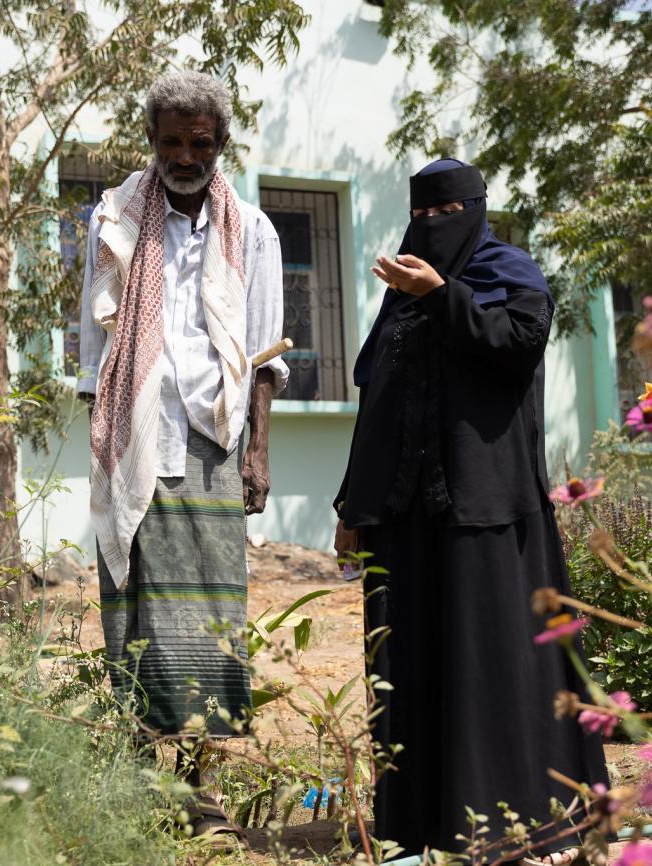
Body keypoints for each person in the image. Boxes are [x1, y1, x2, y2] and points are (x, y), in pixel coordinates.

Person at [333, 159, 610, 863]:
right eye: (420, 218)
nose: (431, 229)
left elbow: (517, 343)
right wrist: (351, 504)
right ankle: (413, 826)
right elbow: (379, 398)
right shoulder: (400, 294)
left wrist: (441, 294)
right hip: (403, 514)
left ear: (477, 211)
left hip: (486, 510)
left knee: (492, 662)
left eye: (445, 216)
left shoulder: (511, 272)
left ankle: (514, 819)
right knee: (408, 662)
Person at [76, 70, 288, 843]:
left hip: (212, 445)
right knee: (134, 615)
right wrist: (101, 446)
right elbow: (91, 346)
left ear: (221, 144)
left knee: (205, 618)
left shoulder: (254, 230)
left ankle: (201, 793)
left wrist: (258, 453)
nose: (185, 155)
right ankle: (139, 782)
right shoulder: (114, 221)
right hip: (134, 439)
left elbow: (266, 356)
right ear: (152, 142)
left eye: (200, 142)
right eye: (171, 141)